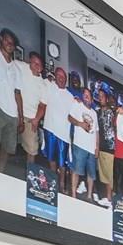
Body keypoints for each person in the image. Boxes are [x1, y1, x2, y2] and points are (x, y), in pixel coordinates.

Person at [0, 29, 24, 174]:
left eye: (12, 43)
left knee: (7, 149)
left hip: (12, 115)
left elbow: (18, 94)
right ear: (1, 39)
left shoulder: (16, 69)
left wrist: (21, 118)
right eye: (7, 40)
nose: (10, 44)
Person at [43, 66, 74, 194]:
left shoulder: (71, 97)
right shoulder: (49, 86)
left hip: (63, 135)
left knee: (62, 163)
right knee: (51, 159)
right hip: (50, 129)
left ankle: (61, 186)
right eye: (59, 76)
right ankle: (52, 182)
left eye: (63, 77)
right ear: (55, 77)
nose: (61, 79)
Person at [16, 52, 48, 164]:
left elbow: (42, 105)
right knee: (6, 144)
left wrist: (36, 119)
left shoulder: (43, 85)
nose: (36, 65)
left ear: (42, 68)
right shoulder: (23, 67)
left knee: (32, 150)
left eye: (39, 64)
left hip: (30, 119)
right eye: (33, 62)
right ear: (29, 62)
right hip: (14, 113)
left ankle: (30, 172)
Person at [68, 87, 99, 203]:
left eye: (88, 95)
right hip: (79, 145)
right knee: (76, 170)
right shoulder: (77, 105)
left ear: (91, 99)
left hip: (91, 148)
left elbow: (97, 131)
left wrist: (97, 147)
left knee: (91, 174)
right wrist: (80, 123)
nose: (86, 97)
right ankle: (73, 194)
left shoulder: (94, 113)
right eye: (84, 95)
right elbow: (69, 118)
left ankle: (89, 195)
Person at [95, 84, 116, 207]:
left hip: (109, 148)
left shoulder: (111, 112)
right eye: (99, 96)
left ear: (107, 98)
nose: (100, 98)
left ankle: (109, 199)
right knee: (103, 175)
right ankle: (107, 197)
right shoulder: (98, 112)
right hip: (101, 147)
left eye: (103, 96)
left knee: (109, 175)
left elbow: (114, 128)